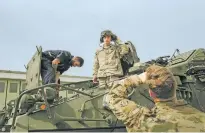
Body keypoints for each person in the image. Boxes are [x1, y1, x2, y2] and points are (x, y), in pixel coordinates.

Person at [107, 65, 205, 132]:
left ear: (151, 93)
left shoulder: (141, 120)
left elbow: (113, 97)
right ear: (174, 87)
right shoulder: (201, 118)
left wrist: (139, 78)